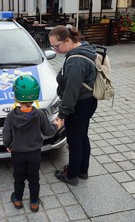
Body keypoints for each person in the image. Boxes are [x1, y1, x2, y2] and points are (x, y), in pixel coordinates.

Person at [2, 75, 63, 212]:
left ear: (16, 96)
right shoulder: (40, 115)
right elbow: (48, 131)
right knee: (34, 178)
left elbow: (6, 135)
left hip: (17, 153)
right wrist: (57, 125)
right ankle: (34, 203)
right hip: (34, 153)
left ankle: (18, 200)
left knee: (18, 178)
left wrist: (8, 144)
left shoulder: (11, 116)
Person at [48, 24, 98, 186]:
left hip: (79, 105)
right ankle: (82, 169)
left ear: (68, 40)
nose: (55, 50)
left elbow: (71, 93)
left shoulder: (75, 61)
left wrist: (62, 115)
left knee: (75, 140)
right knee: (82, 137)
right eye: (52, 46)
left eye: (57, 45)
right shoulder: (83, 49)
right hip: (87, 102)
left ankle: (72, 175)